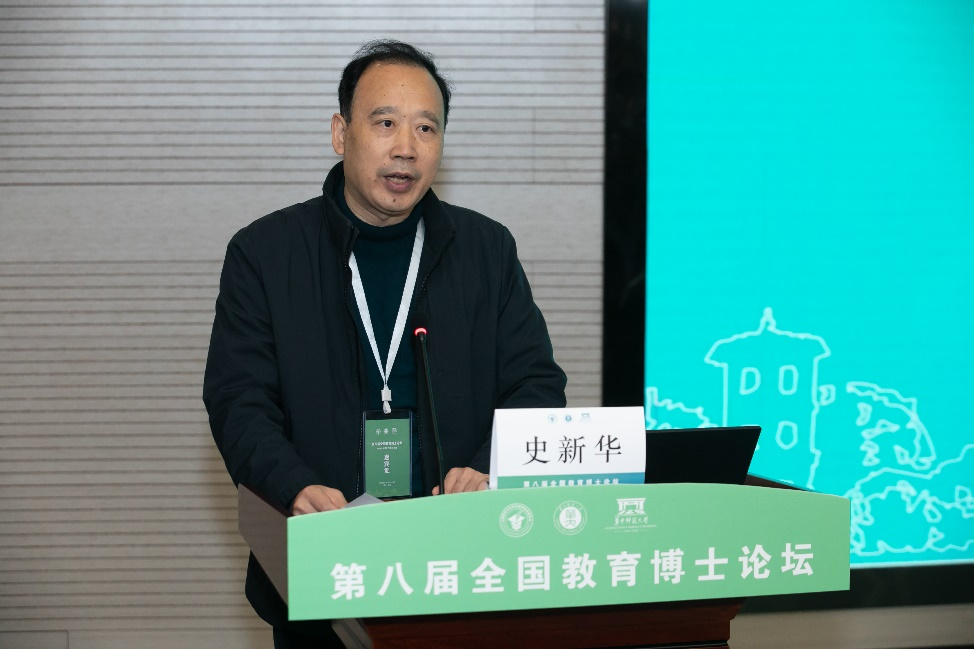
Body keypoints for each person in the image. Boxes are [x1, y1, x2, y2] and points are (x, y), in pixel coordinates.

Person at [203, 40, 567, 647]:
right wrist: (292, 485)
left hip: (463, 567)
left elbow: (537, 385)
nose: (406, 147)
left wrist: (490, 467)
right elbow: (239, 401)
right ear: (340, 133)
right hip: (323, 566)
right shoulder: (265, 254)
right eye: (385, 123)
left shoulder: (487, 250)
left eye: (426, 127)